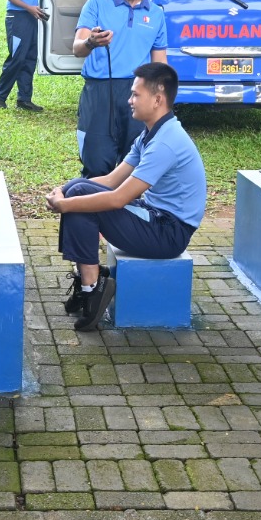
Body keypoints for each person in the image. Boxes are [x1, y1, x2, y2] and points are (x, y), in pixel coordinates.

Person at [46, 63, 207, 331]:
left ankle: (91, 288)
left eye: (135, 94)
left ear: (157, 99)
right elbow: (111, 180)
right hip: (154, 217)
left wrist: (65, 204)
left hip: (168, 233)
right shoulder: (150, 134)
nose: (129, 100)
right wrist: (64, 189)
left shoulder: (165, 143)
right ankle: (89, 281)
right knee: (78, 186)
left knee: (79, 199)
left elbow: (117, 199)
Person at [73, 0, 169, 177]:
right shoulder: (97, 2)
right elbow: (77, 48)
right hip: (100, 91)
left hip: (139, 91)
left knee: (134, 166)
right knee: (96, 164)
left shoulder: (156, 14)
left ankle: (128, 203)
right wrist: (91, 42)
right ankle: (93, 200)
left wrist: (163, 101)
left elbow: (160, 63)